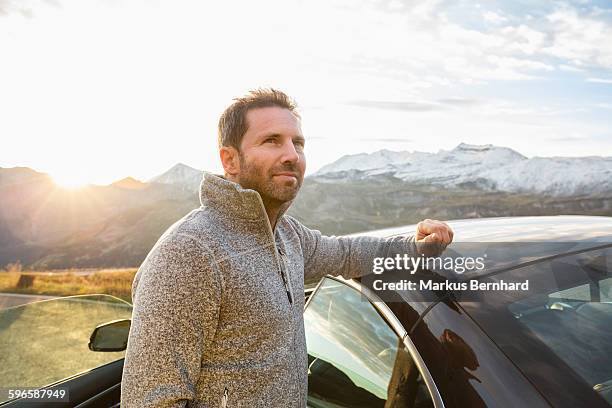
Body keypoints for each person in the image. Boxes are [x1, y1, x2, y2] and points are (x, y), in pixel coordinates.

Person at [120, 88, 454, 407]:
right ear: (230, 159)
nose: (291, 155)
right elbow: (151, 400)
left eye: (298, 143)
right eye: (271, 141)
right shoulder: (190, 253)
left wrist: (415, 245)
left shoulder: (288, 236)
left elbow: (346, 254)